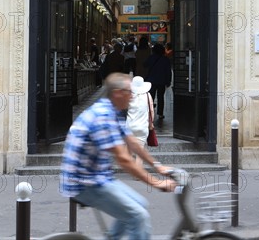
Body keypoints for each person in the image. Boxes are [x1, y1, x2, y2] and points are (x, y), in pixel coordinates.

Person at [60, 73, 177, 240]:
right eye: (129, 92)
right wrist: (157, 182)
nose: (132, 96)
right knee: (138, 216)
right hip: (85, 183)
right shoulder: (103, 116)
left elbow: (133, 143)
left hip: (99, 177)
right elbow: (124, 160)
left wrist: (157, 165)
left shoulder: (111, 111)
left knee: (140, 205)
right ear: (117, 93)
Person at [126, 76, 154, 167]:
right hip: (142, 127)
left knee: (129, 149)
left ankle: (131, 169)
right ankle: (138, 173)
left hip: (129, 126)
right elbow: (151, 111)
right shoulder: (147, 95)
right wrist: (151, 123)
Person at [144, 43, 171, 119]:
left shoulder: (151, 57)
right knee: (160, 97)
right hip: (162, 80)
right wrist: (168, 81)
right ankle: (160, 113)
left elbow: (145, 65)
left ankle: (150, 111)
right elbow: (168, 71)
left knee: (151, 97)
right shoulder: (165, 59)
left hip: (151, 80)